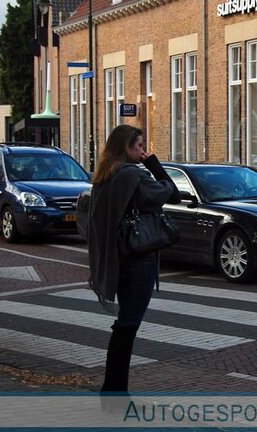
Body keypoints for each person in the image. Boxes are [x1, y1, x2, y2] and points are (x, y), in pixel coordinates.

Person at [87, 124, 180, 393]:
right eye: (138, 146)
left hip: (119, 258)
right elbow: (171, 193)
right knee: (127, 325)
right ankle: (114, 391)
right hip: (139, 259)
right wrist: (152, 163)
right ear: (126, 147)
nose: (142, 151)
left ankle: (114, 389)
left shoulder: (104, 176)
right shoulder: (132, 176)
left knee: (125, 324)